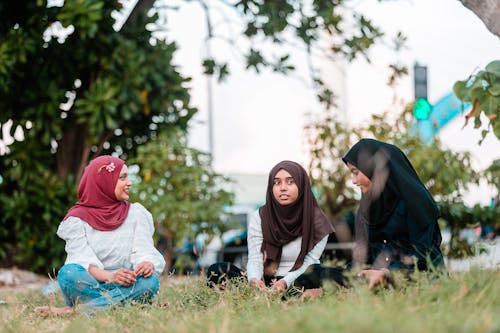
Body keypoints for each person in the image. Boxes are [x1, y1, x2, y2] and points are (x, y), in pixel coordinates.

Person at [35, 155, 165, 316]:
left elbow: (144, 250)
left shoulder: (136, 213)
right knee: (67, 273)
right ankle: (117, 305)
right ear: (104, 182)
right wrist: (111, 276)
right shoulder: (77, 220)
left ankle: (75, 312)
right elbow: (80, 261)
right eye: (122, 178)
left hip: (125, 285)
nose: (129, 183)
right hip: (91, 284)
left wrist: (147, 264)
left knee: (149, 282)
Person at [207, 161, 346, 297]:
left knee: (322, 273)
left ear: (302, 185)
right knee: (218, 270)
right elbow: (255, 258)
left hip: (300, 279)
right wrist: (254, 280)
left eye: (290, 182)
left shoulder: (317, 221)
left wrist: (284, 282)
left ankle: (294, 295)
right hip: (267, 281)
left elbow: (309, 262)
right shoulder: (260, 217)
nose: (283, 188)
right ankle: (261, 296)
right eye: (277, 182)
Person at [342, 138, 444, 289]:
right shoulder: (365, 211)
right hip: (376, 283)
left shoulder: (415, 203)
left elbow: (421, 256)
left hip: (420, 281)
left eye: (356, 173)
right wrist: (348, 275)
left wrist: (387, 273)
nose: (354, 181)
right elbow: (364, 257)